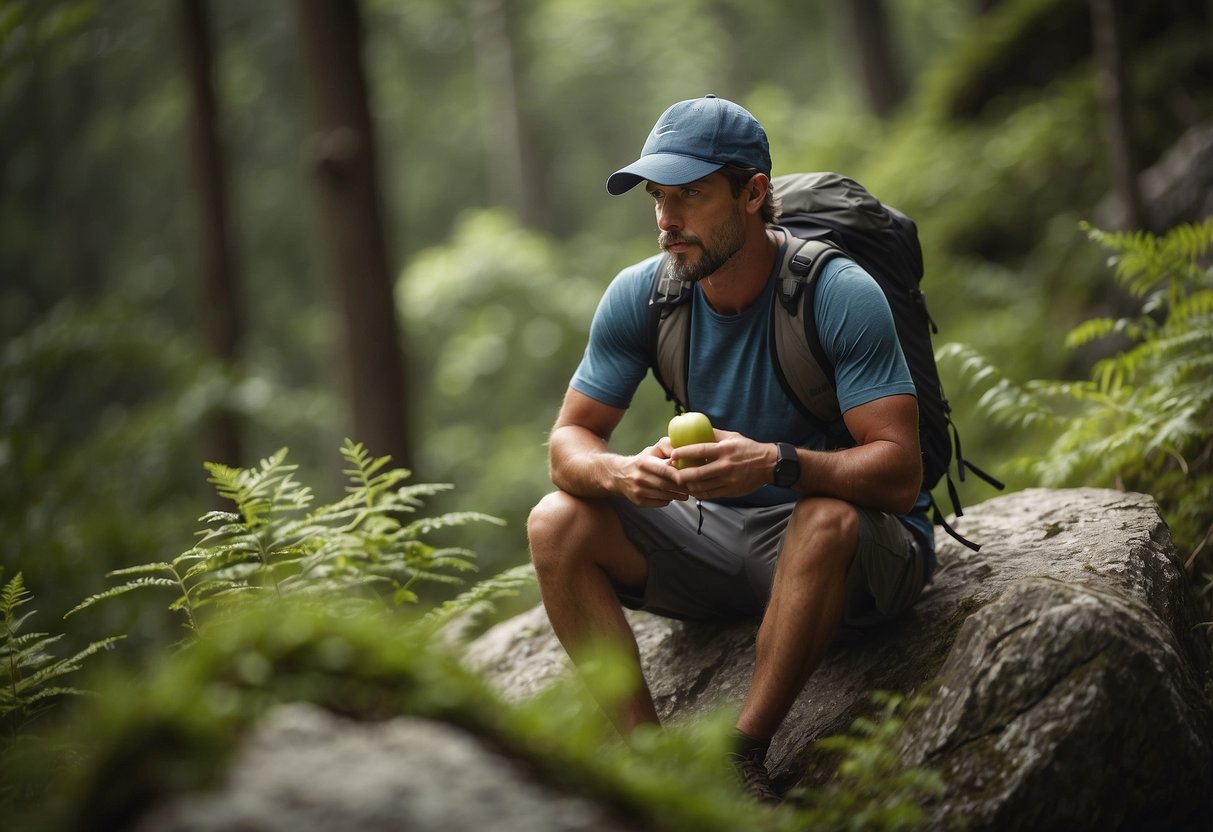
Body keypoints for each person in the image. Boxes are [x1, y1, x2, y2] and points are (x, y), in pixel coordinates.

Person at [526, 95, 933, 804]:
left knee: (824, 519)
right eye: (657, 196)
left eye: (689, 194)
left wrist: (775, 462)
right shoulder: (644, 296)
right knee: (553, 520)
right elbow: (568, 444)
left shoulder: (834, 291)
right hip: (720, 537)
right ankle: (649, 764)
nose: (665, 219)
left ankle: (739, 757)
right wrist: (621, 473)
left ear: (752, 194)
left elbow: (900, 472)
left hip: (846, 546)